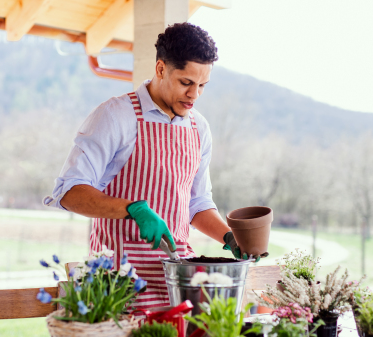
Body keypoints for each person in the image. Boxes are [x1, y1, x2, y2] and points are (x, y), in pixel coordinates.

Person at [44, 23, 251, 309]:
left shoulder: (198, 128)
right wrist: (133, 209)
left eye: (202, 85)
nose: (195, 95)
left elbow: (197, 202)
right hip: (120, 284)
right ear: (161, 68)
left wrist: (228, 236)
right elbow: (68, 192)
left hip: (178, 281)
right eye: (186, 82)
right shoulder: (117, 116)